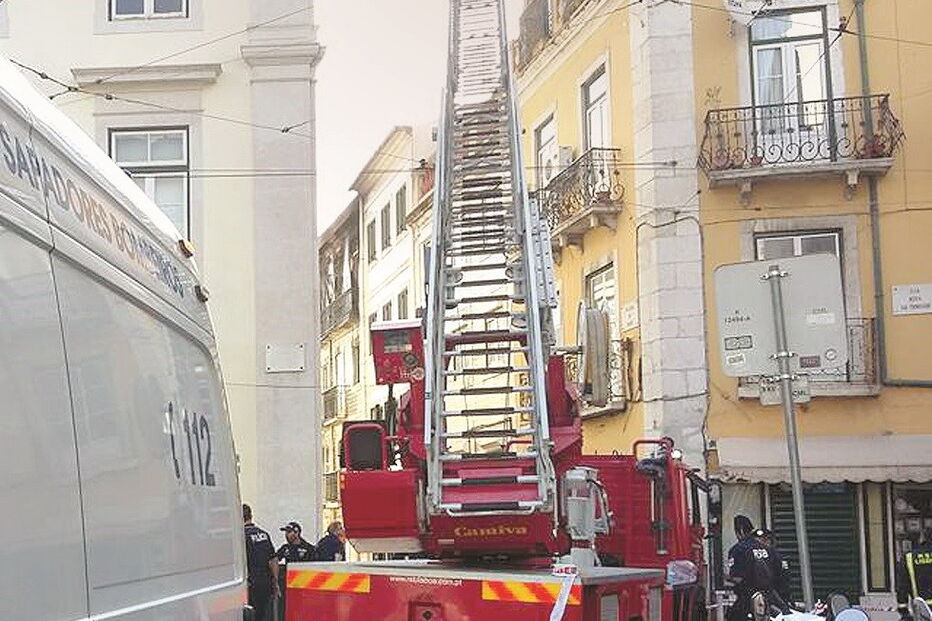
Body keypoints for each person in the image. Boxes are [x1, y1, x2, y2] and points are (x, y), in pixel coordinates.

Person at [727, 516, 789, 621]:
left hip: (748, 601)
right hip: (772, 598)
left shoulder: (738, 549)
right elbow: (781, 573)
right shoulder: (768, 549)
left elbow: (737, 577)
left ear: (740, 531)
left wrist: (728, 578)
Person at [243, 504, 280, 621]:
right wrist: (275, 581)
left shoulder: (241, 536)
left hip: (250, 584)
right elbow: (273, 560)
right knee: (262, 615)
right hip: (265, 582)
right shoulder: (264, 534)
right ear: (251, 516)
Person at [897, 529, 932, 617]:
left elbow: (902, 585)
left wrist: (903, 609)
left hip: (921, 609)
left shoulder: (909, 557)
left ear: (921, 539)